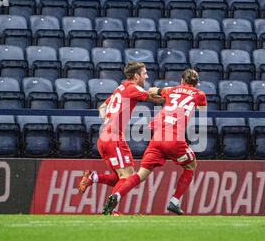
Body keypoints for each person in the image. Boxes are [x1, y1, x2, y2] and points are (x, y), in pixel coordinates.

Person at [102, 69, 207, 215]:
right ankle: (174, 202)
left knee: (140, 175)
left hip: (157, 137)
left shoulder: (171, 90)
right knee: (191, 165)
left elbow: (152, 90)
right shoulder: (199, 94)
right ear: (196, 83)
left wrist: (161, 92)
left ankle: (116, 195)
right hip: (174, 139)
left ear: (182, 81)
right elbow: (202, 112)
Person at [77, 62, 162, 212]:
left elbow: (102, 106)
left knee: (119, 178)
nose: (147, 76)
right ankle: (111, 210)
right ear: (136, 76)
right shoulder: (133, 88)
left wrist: (107, 121)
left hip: (104, 138)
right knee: (129, 177)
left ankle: (93, 177)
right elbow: (155, 99)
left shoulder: (119, 88)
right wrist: (175, 97)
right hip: (114, 139)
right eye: (144, 74)